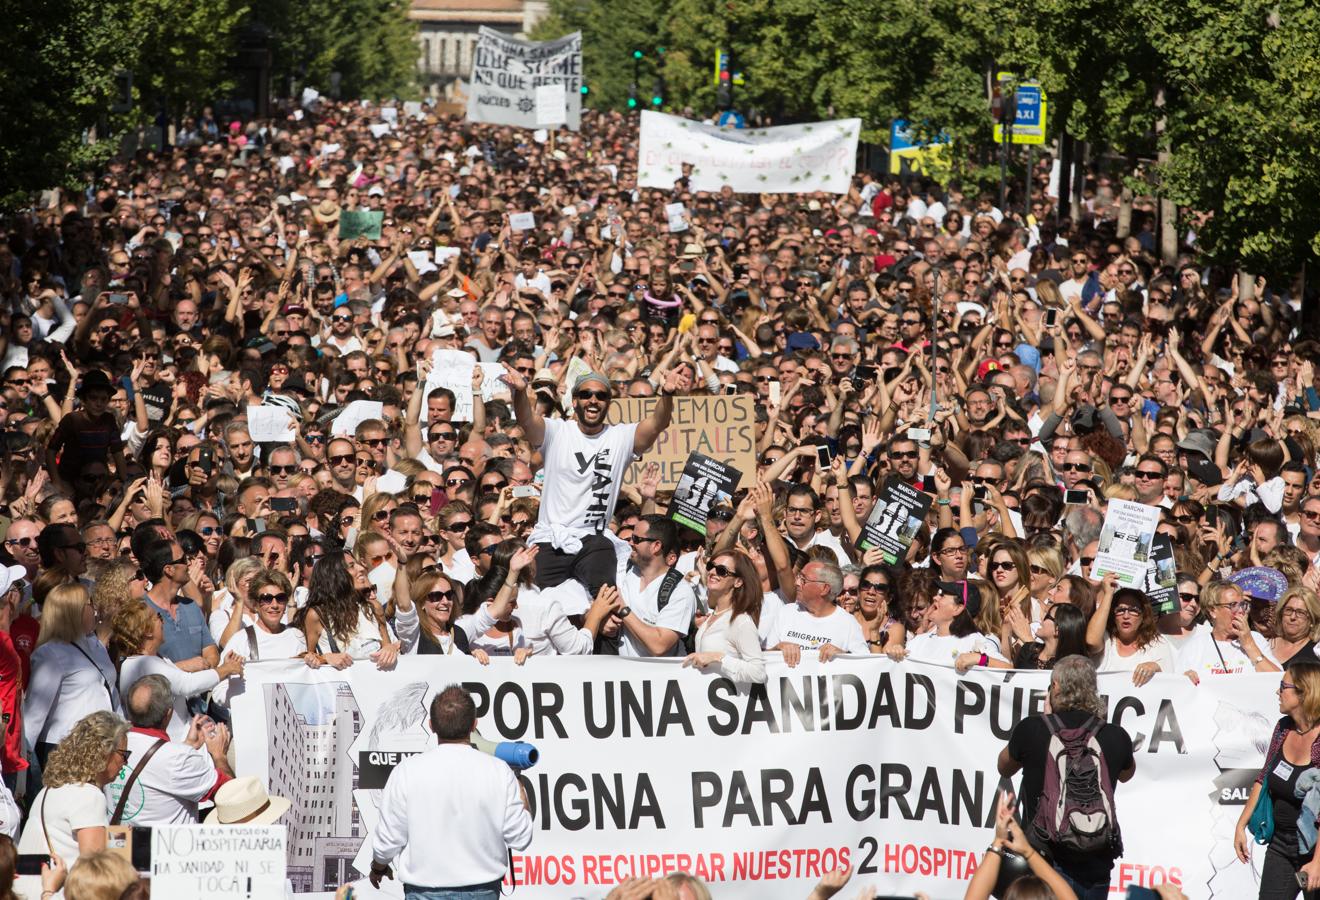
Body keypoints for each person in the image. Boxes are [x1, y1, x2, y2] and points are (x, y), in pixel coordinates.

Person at [503, 366, 690, 599]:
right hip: (551, 539)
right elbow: (527, 420)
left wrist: (667, 394)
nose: (593, 400)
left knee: (608, 606)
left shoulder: (621, 437)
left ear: (609, 403)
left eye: (601, 396)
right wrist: (520, 393)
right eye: (586, 394)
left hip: (594, 541)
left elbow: (656, 424)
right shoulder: (557, 431)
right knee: (536, 606)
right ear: (575, 400)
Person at [370, 685, 533, 898]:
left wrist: (378, 866)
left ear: (431, 726)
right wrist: (519, 784)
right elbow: (520, 837)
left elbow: (389, 837)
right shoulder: (499, 771)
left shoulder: (407, 771)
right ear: (474, 725)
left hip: (424, 892)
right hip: (482, 891)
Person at [999, 656, 1136, 899]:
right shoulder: (1115, 736)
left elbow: (1004, 767)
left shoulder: (1031, 729)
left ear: (1057, 687)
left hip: (1045, 862)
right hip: (1096, 865)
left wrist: (1046, 720)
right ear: (1093, 691)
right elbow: (1127, 774)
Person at [1234, 661, 1320, 898]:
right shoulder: (1283, 728)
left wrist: (1317, 863)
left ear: (1304, 692)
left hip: (1314, 852)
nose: (1278, 692)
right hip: (1282, 846)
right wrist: (1241, 825)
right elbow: (1263, 778)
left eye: (1283, 686)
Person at [104, 674, 232, 825]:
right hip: (164, 847)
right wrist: (219, 755)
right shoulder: (177, 759)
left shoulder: (111, 745)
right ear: (168, 714)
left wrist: (187, 745)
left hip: (120, 845)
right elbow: (230, 795)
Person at [110, 601, 242, 741]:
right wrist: (226, 669)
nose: (163, 622)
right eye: (158, 617)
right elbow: (187, 684)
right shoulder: (144, 663)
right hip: (173, 744)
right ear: (148, 632)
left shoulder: (150, 660)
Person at [24, 583, 120, 765]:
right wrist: (24, 765)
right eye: (89, 604)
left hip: (103, 743)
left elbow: (110, 692)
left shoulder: (96, 646)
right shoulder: (50, 653)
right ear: (74, 611)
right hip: (65, 747)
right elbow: (35, 714)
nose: (94, 609)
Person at [18, 710, 129, 865]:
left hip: (37, 886)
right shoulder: (89, 796)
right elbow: (93, 871)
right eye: (124, 754)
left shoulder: (50, 790)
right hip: (64, 887)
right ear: (105, 752)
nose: (125, 763)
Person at [683, 550, 766, 684]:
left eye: (722, 571)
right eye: (711, 566)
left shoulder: (741, 621)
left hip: (728, 700)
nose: (713, 572)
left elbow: (758, 673)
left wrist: (718, 657)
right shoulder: (711, 617)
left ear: (738, 582)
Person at [1178, 579, 1282, 679]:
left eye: (1242, 605)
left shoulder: (1256, 639)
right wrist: (1186, 679)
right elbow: (1176, 689)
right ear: (1212, 610)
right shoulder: (1194, 647)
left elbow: (1278, 681)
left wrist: (1249, 645)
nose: (1241, 611)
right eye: (1233, 605)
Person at [770, 560, 868, 665]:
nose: (796, 583)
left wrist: (842, 656)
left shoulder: (849, 623)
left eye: (803, 580)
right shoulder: (786, 612)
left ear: (825, 589)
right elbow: (762, 656)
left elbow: (865, 665)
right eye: (798, 577)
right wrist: (777, 648)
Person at [898, 580, 1010, 673]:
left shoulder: (974, 641)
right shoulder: (920, 640)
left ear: (958, 609)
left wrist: (980, 659)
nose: (935, 598)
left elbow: (1010, 670)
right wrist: (896, 654)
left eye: (942, 596)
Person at [1087, 587, 1178, 685]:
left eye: (1133, 610)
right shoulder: (1105, 639)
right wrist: (1108, 593)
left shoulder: (1157, 644)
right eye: (1120, 610)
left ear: (1143, 615)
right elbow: (1091, 641)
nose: (1126, 616)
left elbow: (1171, 680)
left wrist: (1155, 666)